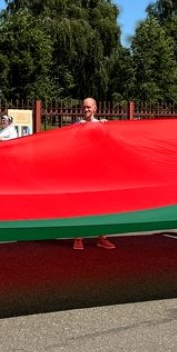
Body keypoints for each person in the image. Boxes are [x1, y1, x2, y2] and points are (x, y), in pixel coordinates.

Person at [71, 98, 116, 251]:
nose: (86, 109)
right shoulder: (77, 125)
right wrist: (79, 128)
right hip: (82, 171)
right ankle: (78, 237)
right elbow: (70, 144)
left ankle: (102, 237)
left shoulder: (101, 125)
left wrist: (107, 127)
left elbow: (109, 144)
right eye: (84, 107)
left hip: (99, 171)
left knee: (102, 205)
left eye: (89, 107)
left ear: (95, 108)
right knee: (81, 205)